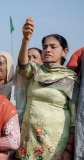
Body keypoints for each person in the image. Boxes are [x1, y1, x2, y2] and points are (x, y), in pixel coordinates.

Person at [15, 18, 79, 160]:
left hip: (55, 142)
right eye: (44, 47)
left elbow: (75, 118)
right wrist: (26, 40)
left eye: (53, 47)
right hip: (29, 137)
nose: (47, 50)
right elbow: (22, 67)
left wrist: (69, 149)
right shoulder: (35, 71)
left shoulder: (70, 78)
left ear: (64, 51)